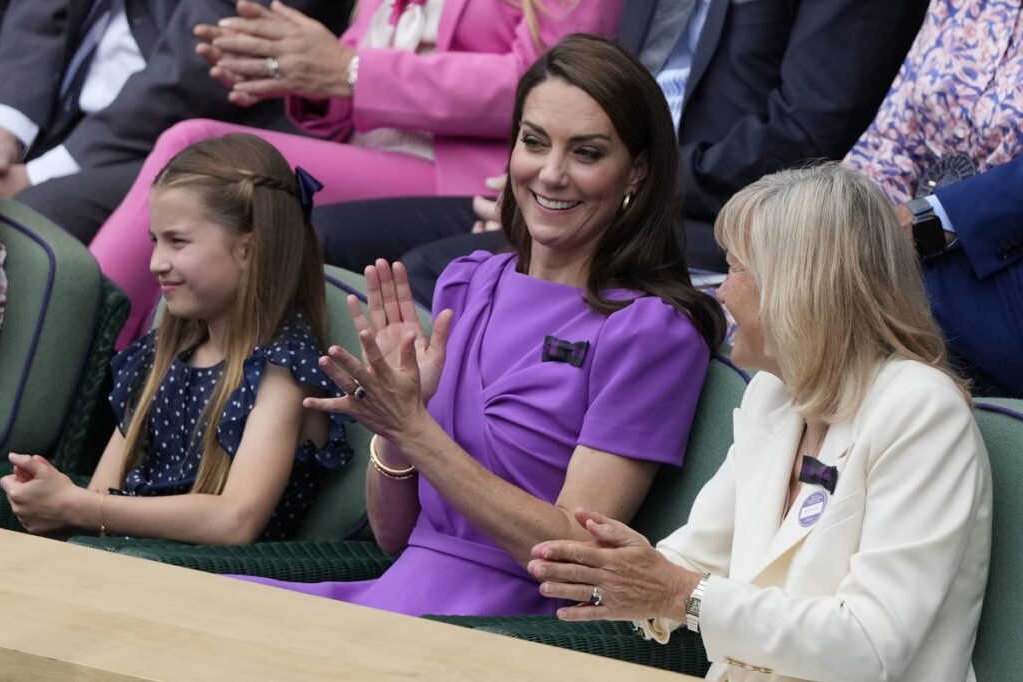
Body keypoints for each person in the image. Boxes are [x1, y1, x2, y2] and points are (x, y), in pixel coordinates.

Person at [235, 34, 726, 617]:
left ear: (637, 174)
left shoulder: (651, 330)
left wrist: (416, 430)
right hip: (394, 595)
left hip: (505, 629)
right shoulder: (467, 282)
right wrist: (395, 424)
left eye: (587, 153)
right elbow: (396, 535)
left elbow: (572, 553)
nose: (550, 173)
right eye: (534, 142)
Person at [527, 163, 992, 681]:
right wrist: (618, 571)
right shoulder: (776, 394)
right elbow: (694, 558)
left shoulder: (922, 411)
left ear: (798, 286)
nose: (721, 292)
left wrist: (677, 592)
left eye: (736, 268)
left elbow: (869, 647)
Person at [310, 0, 930, 306]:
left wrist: (614, 183)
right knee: (321, 232)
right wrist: (546, 174)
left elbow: (801, 135)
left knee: (432, 273)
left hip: (718, 213)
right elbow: (597, 82)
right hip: (603, 177)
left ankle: (410, 500)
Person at [87, 0, 621, 346]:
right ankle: (143, 379)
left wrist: (350, 73)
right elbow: (351, 65)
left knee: (201, 150)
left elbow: (546, 88)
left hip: (465, 174)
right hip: (369, 151)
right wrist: (296, 70)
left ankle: (81, 344)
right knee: (206, 200)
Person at [0, 134, 351, 543]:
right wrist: (55, 499)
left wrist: (80, 506)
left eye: (177, 241)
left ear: (248, 251)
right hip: (123, 569)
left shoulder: (283, 369)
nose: (156, 263)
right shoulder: (163, 352)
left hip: (208, 587)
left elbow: (235, 520)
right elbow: (102, 496)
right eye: (155, 241)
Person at [0, 0, 349, 243]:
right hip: (58, 105)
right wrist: (7, 127)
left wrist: (37, 174)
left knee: (35, 217)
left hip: (193, 133)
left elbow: (195, 71)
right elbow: (37, 17)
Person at [844, 0, 1023, 397]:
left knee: (835, 315)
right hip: (911, 250)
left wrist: (928, 221)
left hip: (999, 283)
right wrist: (839, 219)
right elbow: (893, 138)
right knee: (783, 283)